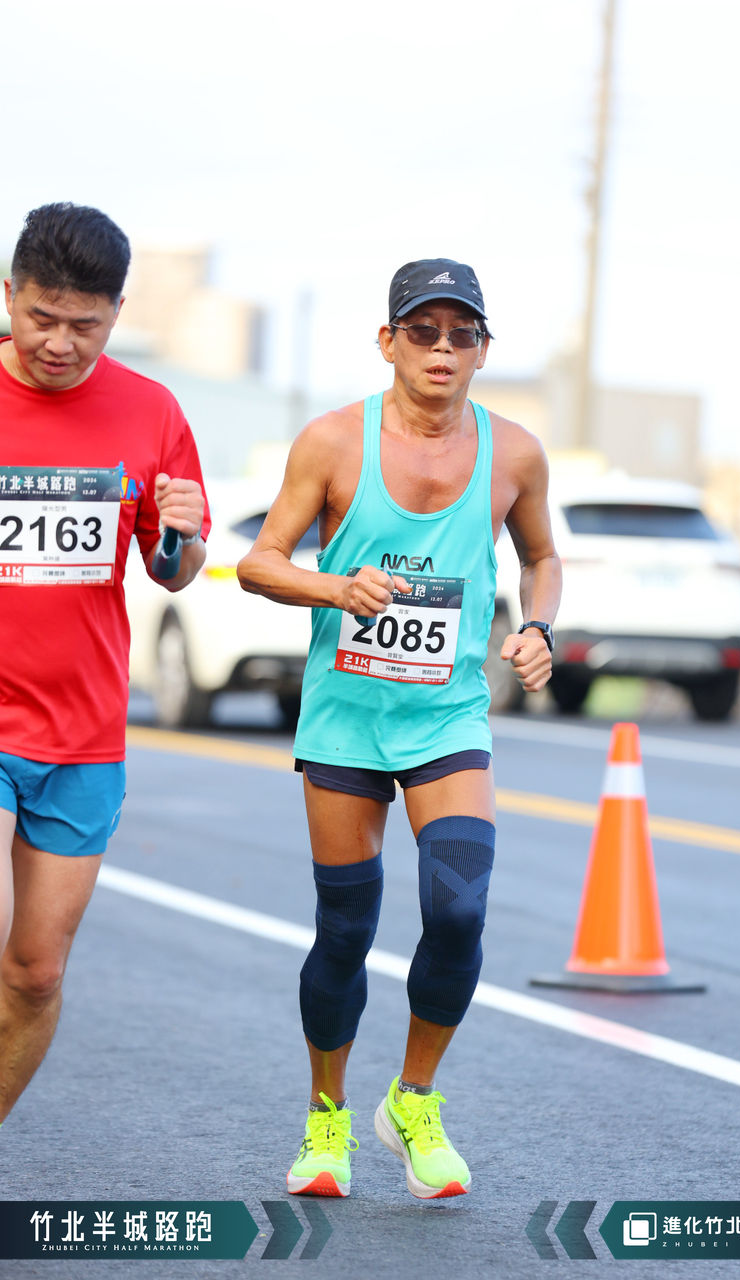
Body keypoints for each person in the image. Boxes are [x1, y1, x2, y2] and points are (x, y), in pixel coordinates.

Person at [237, 258, 561, 1200]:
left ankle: (412, 1100)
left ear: (483, 350)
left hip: (446, 716)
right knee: (346, 927)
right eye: (422, 331)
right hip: (345, 718)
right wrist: (335, 587)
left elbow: (541, 558)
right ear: (388, 342)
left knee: (458, 912)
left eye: (462, 334)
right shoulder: (333, 441)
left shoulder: (515, 454)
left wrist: (539, 627)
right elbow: (259, 562)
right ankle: (325, 1118)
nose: (441, 349)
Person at [0, 203, 210, 1127]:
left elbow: (173, 568)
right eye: (41, 317)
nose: (59, 343)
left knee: (34, 974)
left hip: (80, 733)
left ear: (117, 312)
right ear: (10, 294)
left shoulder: (150, 410)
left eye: (84, 325)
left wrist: (181, 536)